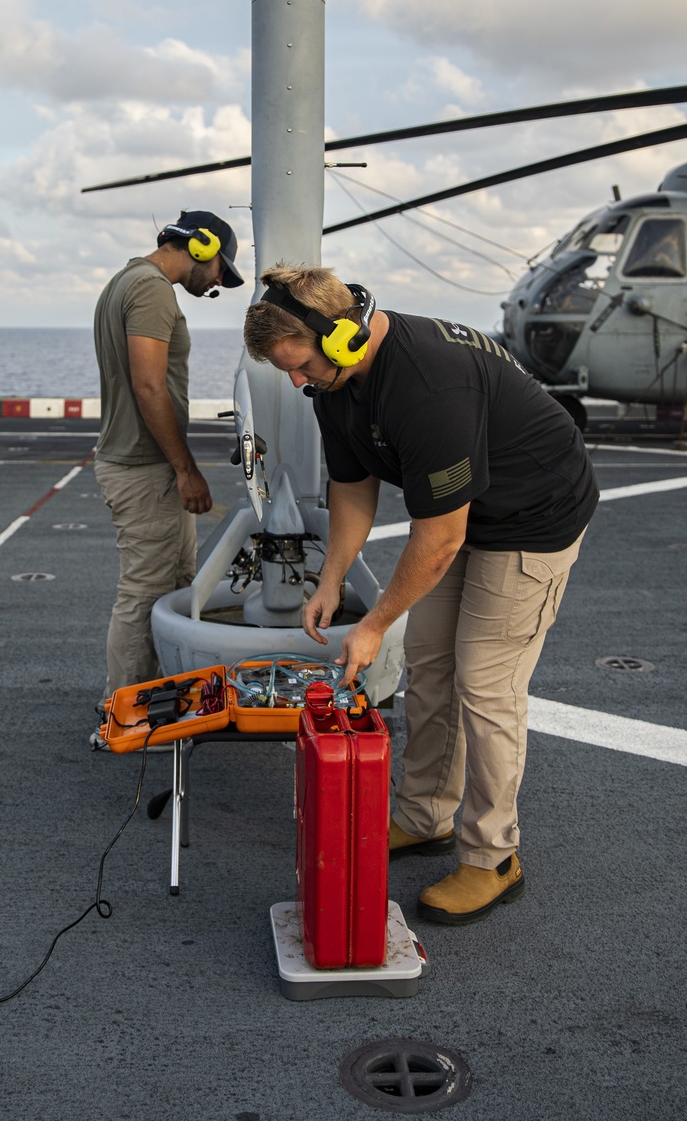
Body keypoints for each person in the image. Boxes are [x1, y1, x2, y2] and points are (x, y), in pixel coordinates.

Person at [243, 264, 598, 925]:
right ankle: (426, 816)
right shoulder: (336, 382)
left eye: (300, 367)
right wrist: (330, 580)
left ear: (345, 338)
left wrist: (373, 624)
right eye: (285, 371)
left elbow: (438, 540)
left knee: (486, 686)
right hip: (465, 517)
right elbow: (353, 487)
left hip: (532, 516)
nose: (296, 382)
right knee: (431, 668)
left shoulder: (429, 385)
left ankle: (492, 858)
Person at [91, 210, 244, 738]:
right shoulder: (152, 289)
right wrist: (186, 469)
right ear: (201, 246)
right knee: (146, 592)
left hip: (141, 464)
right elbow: (149, 387)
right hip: (144, 468)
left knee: (171, 588)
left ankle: (150, 707)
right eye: (222, 269)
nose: (220, 283)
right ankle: (128, 721)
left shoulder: (126, 282)